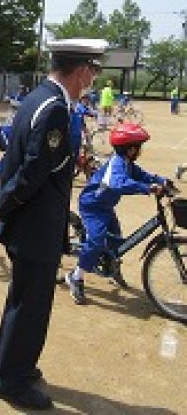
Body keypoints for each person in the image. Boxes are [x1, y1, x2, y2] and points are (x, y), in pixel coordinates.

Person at [0, 38, 107, 410]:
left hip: (29, 223)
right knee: (32, 307)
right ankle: (11, 381)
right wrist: (3, 204)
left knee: (20, 300)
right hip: (36, 225)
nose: (93, 78)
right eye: (94, 70)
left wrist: (6, 202)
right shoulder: (55, 108)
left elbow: (26, 159)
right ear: (82, 69)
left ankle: (0, 364)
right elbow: (33, 170)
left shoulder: (38, 98)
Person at [66, 123, 168, 305]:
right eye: (138, 147)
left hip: (105, 207)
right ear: (129, 149)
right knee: (96, 241)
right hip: (93, 207)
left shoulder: (128, 163)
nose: (139, 151)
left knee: (116, 242)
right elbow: (118, 183)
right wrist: (148, 188)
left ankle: (111, 267)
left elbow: (143, 175)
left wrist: (160, 180)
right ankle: (76, 276)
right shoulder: (117, 163)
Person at [71, 94, 96, 165]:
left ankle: (76, 163)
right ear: (83, 99)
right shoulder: (79, 107)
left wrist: (85, 129)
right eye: (87, 100)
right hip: (73, 134)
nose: (88, 101)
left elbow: (81, 119)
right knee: (74, 150)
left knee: (77, 150)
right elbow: (89, 113)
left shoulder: (79, 107)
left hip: (77, 134)